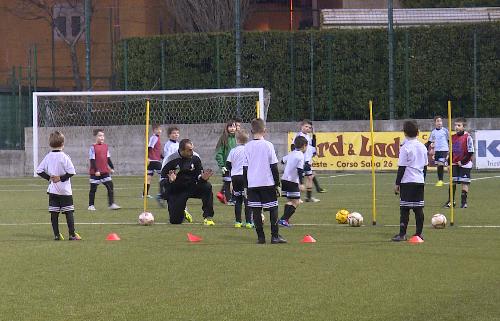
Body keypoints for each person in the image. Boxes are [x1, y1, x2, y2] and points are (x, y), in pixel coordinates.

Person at [243, 118, 286, 244]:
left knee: (256, 210)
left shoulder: (247, 146)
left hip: (252, 184)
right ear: (264, 131)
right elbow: (274, 166)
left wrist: (246, 186)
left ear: (251, 131)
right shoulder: (268, 145)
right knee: (273, 208)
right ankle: (275, 236)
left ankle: (261, 238)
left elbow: (245, 168)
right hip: (267, 183)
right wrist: (277, 184)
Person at [36, 131, 81, 241]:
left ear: (50, 144)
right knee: (69, 212)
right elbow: (71, 172)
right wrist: (60, 178)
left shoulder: (48, 156)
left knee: (54, 213)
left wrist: (50, 178)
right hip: (65, 190)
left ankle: (57, 235)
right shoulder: (65, 157)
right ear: (63, 144)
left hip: (53, 190)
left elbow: (39, 170)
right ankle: (72, 234)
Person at [160, 139, 216, 225]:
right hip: (177, 190)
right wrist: (170, 181)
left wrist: (203, 178)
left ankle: (208, 217)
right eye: (189, 150)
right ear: (182, 150)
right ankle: (182, 212)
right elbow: (162, 180)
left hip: (191, 187)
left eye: (192, 149)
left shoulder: (195, 157)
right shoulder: (170, 159)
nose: (192, 152)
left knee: (207, 186)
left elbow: (198, 175)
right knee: (175, 221)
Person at [392, 120, 428, 242]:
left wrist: (397, 183)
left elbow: (401, 167)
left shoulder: (405, 147)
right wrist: (424, 180)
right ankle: (419, 234)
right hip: (419, 180)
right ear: (418, 132)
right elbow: (425, 166)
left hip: (407, 181)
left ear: (404, 133)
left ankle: (402, 234)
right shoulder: (422, 146)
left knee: (404, 209)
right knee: (418, 209)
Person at [291, 120, 325, 203]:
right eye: (306, 126)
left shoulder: (308, 136)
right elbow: (293, 146)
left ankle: (308, 198)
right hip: (300, 161)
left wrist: (313, 152)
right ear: (301, 126)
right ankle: (297, 198)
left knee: (310, 177)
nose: (307, 128)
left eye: (309, 127)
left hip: (307, 161)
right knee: (299, 179)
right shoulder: (299, 136)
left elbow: (311, 147)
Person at [88, 129, 121, 211]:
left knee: (110, 186)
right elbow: (92, 160)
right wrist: (96, 170)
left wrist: (112, 167)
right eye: (99, 135)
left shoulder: (106, 147)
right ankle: (91, 205)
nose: (102, 137)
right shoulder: (92, 148)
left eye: (103, 135)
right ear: (95, 137)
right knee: (93, 189)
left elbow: (108, 158)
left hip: (105, 171)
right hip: (95, 173)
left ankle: (111, 204)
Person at [278, 135, 308, 227]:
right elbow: (300, 170)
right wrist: (301, 183)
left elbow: (282, 161)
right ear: (304, 146)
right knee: (296, 202)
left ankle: (285, 220)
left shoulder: (292, 153)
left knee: (290, 201)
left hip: (285, 179)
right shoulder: (300, 155)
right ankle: (283, 219)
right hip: (292, 181)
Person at [445, 117, 474, 209]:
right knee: (452, 182)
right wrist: (448, 163)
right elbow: (451, 152)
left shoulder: (468, 137)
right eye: (455, 125)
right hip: (454, 163)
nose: (456, 127)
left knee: (464, 182)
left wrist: (463, 161)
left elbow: (470, 152)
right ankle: (451, 201)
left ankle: (464, 202)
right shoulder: (452, 137)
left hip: (465, 163)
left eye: (459, 125)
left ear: (463, 127)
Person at [226, 129, 252, 228]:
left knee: (237, 200)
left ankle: (238, 222)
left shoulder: (233, 150)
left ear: (237, 140)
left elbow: (228, 164)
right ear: (247, 140)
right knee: (247, 199)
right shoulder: (249, 150)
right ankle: (249, 222)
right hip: (245, 176)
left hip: (235, 177)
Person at [215, 120, 237, 204]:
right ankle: (229, 199)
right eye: (230, 126)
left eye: (234, 126)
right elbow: (219, 153)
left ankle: (235, 198)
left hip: (236, 165)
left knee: (236, 181)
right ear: (227, 128)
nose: (232, 128)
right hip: (226, 165)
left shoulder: (237, 138)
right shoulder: (223, 138)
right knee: (227, 182)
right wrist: (222, 165)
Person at [426, 116, 449, 187]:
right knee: (439, 166)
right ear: (435, 123)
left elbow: (449, 140)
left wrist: (450, 148)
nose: (439, 123)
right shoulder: (433, 132)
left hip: (444, 150)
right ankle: (440, 180)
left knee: (440, 164)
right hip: (437, 151)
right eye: (438, 121)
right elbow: (429, 142)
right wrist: (425, 148)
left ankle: (440, 181)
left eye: (440, 121)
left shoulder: (445, 131)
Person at [144, 124, 163, 198]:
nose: (159, 131)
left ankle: (145, 194)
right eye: (157, 129)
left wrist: (162, 156)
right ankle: (162, 193)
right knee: (164, 175)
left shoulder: (157, 138)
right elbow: (149, 147)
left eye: (160, 129)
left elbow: (156, 150)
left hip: (153, 160)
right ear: (154, 130)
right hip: (154, 160)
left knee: (148, 177)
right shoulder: (154, 138)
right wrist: (148, 157)